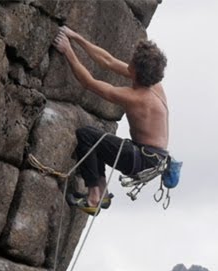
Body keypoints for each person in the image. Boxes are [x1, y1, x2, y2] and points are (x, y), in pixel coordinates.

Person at [53, 26, 169, 214]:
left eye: (131, 62)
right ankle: (102, 192)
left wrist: (68, 51)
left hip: (141, 159)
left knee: (87, 136)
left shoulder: (137, 98)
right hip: (149, 157)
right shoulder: (154, 84)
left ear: (136, 71)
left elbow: (89, 83)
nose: (128, 62)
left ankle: (93, 198)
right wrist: (75, 36)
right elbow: (108, 61)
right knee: (99, 141)